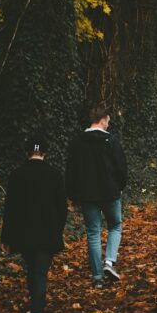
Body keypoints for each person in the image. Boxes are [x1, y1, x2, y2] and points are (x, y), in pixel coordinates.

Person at [1, 136, 67, 313]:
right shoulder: (54, 175)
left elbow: (10, 208)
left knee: (32, 268)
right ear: (44, 152)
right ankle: (37, 311)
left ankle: (36, 304)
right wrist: (58, 229)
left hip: (24, 233)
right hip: (47, 232)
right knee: (40, 271)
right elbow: (61, 208)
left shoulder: (17, 175)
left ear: (27, 152)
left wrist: (6, 236)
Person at [65, 107, 129, 289]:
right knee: (115, 226)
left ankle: (97, 277)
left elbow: (71, 171)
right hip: (110, 193)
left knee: (93, 233)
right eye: (108, 120)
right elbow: (121, 168)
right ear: (102, 120)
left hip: (87, 195)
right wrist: (120, 187)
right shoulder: (111, 141)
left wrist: (72, 196)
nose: (109, 124)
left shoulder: (77, 142)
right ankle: (109, 261)